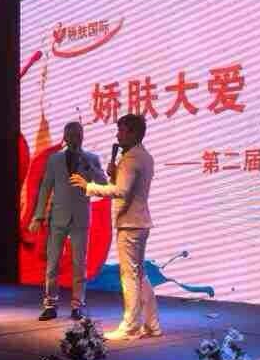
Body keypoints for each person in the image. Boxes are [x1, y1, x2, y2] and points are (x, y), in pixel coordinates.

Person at [70, 113, 161, 341]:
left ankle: (130, 326)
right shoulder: (145, 156)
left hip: (130, 224)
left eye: (121, 131)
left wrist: (88, 186)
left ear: (133, 133)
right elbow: (125, 187)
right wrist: (114, 174)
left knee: (129, 276)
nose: (117, 135)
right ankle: (152, 324)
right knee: (139, 275)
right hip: (139, 222)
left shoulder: (130, 159)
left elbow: (121, 191)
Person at [29, 121, 106, 321]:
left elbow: (103, 183)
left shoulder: (91, 158)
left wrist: (91, 168)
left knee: (79, 264)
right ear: (65, 137)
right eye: (71, 135)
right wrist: (38, 216)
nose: (75, 138)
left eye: (78, 134)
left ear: (83, 136)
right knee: (52, 263)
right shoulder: (54, 159)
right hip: (58, 218)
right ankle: (50, 304)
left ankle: (77, 306)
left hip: (80, 217)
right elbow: (45, 187)